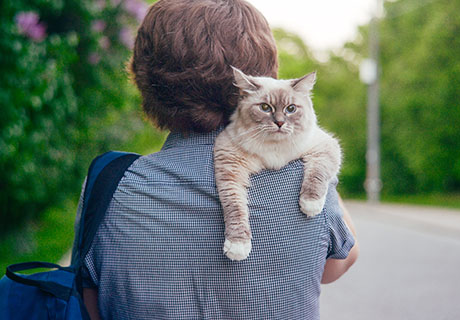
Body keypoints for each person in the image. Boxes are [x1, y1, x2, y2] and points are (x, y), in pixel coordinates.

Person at [74, 0, 358, 319]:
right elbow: (339, 263)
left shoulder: (108, 185)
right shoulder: (302, 179)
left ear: (144, 79)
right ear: (263, 79)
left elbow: (89, 307)